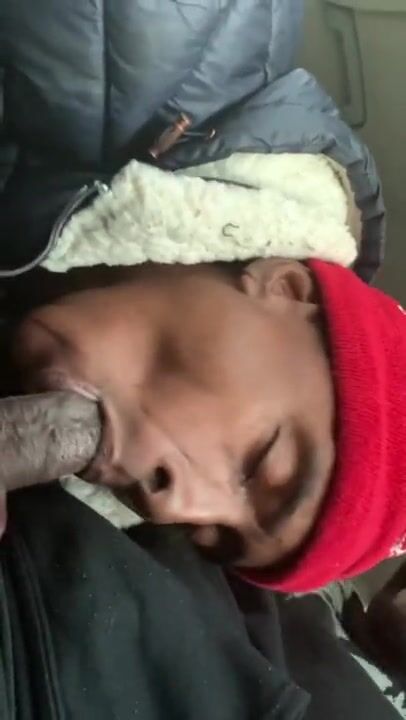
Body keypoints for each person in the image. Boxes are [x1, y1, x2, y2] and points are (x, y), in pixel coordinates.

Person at [1, 1, 405, 717]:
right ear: (286, 287)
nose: (170, 504)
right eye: (259, 462)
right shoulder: (163, 21)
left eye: (212, 537)